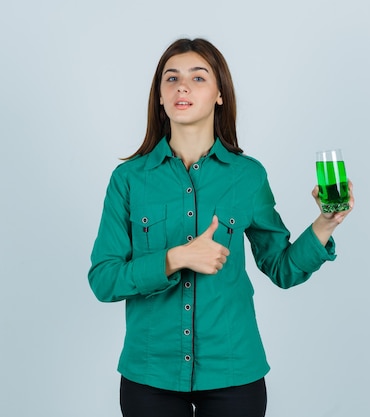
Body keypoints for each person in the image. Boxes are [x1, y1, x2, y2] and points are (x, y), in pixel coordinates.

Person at [88, 38, 354, 417]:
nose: (182, 86)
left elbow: (281, 267)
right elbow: (104, 278)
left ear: (219, 95)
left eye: (198, 78)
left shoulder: (247, 176)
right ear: (160, 98)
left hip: (233, 370)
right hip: (150, 374)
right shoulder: (128, 179)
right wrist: (176, 257)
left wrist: (325, 224)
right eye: (171, 78)